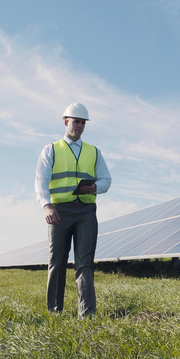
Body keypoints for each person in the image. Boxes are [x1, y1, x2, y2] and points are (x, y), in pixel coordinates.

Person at [34, 102, 112, 318]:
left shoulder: (94, 152)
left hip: (86, 211)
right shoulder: (51, 150)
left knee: (84, 262)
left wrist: (96, 187)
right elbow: (41, 181)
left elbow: (107, 179)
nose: (80, 126)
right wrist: (46, 205)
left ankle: (86, 315)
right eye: (76, 121)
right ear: (66, 121)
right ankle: (54, 311)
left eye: (83, 122)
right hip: (59, 211)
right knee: (57, 261)